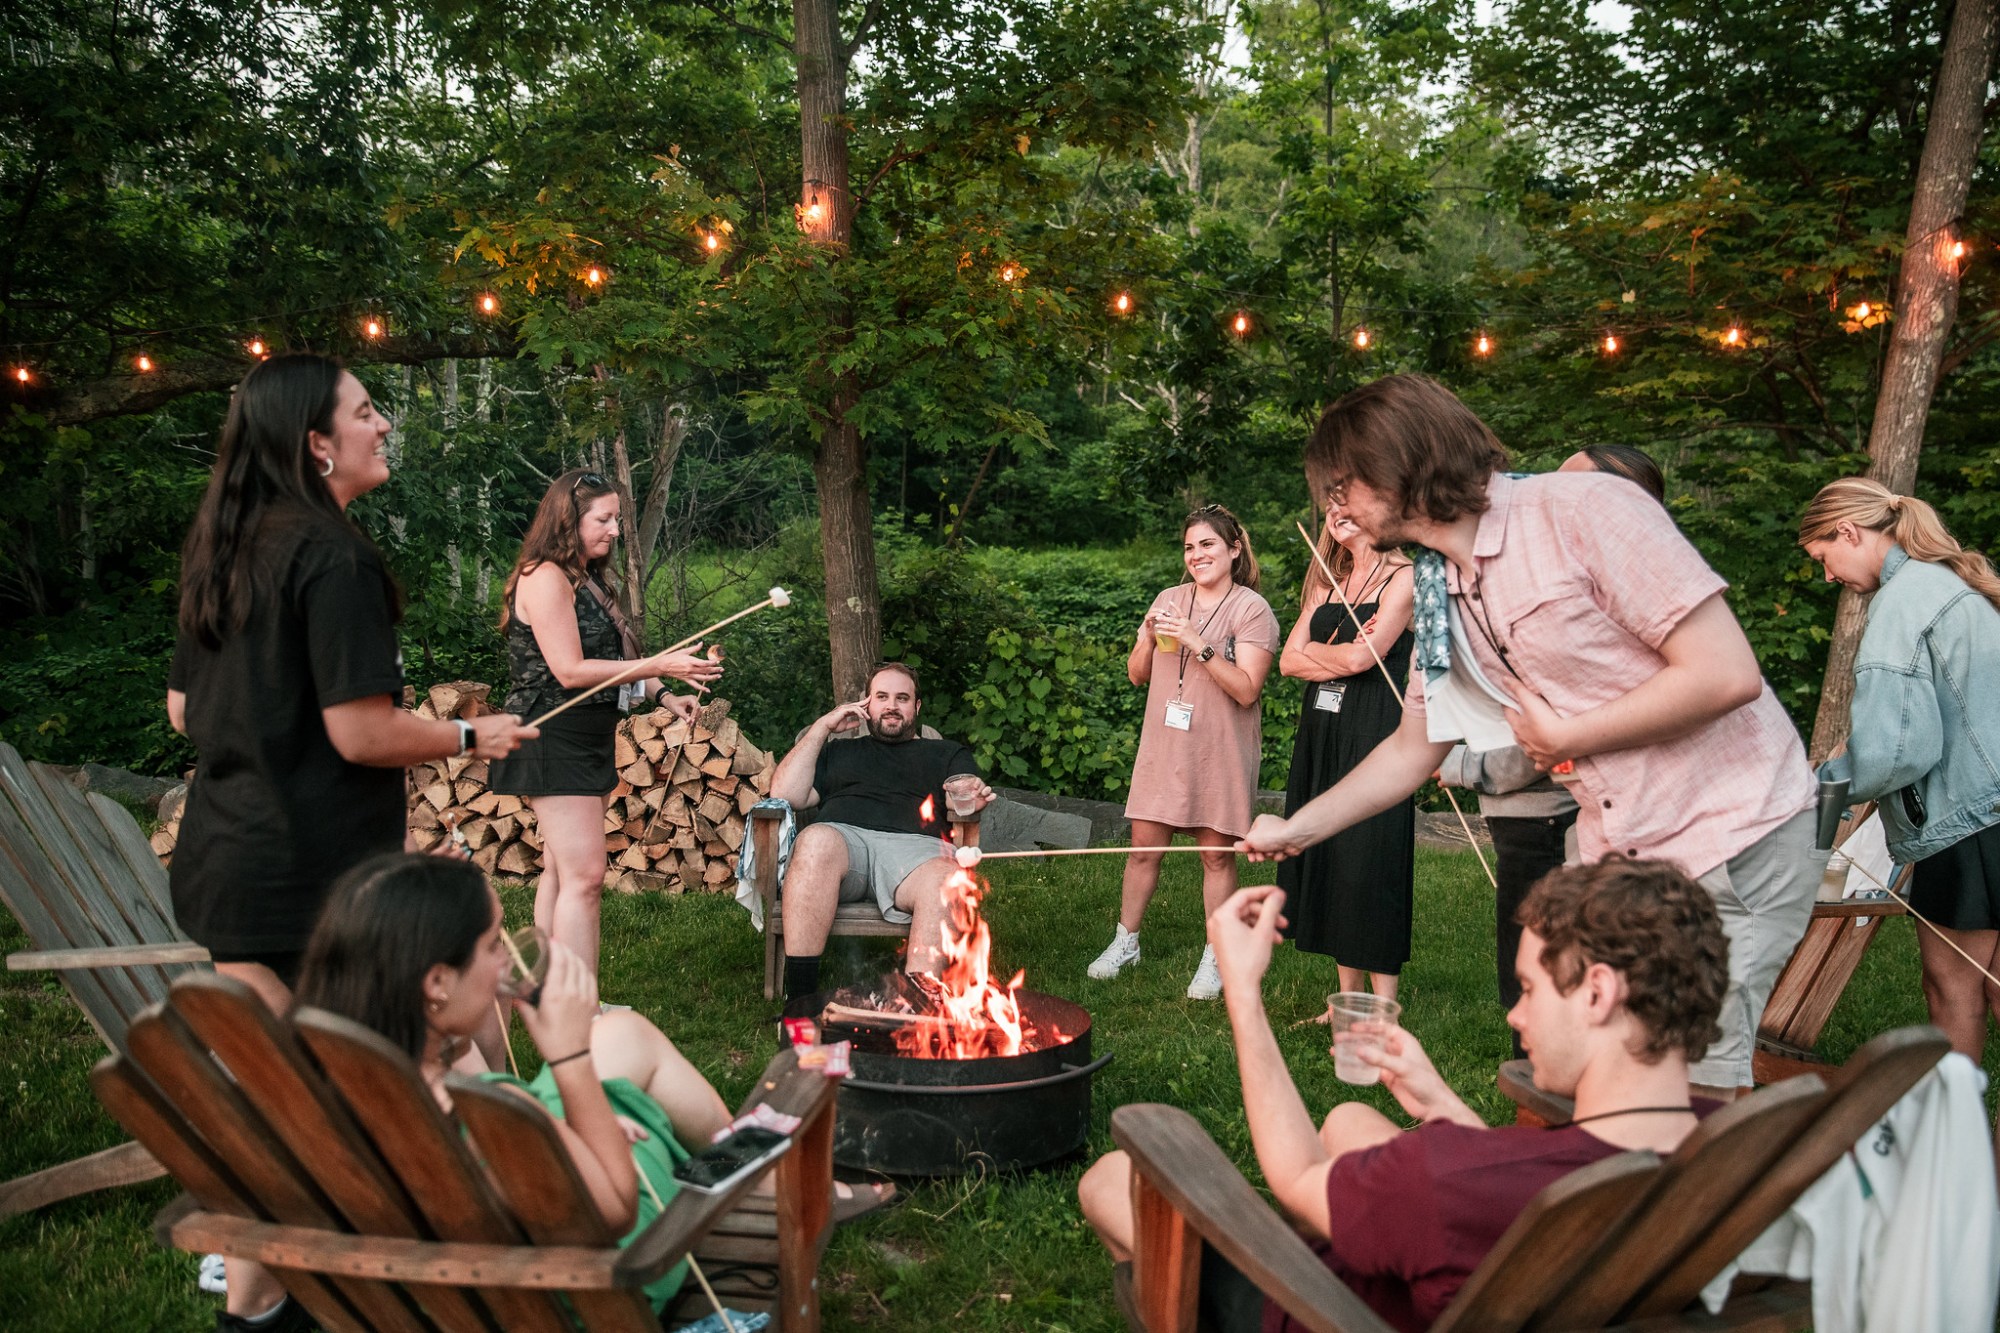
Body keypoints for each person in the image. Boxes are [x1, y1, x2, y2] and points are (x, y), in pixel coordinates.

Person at [1243, 374, 1819, 1094]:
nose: (1337, 509)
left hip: (1732, 833)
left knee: (1694, 1088)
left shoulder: (1584, 510)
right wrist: (1298, 827)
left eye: (1342, 487)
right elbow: (1413, 747)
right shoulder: (1433, 586)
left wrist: (1568, 735)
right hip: (1622, 849)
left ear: (1397, 467)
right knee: (1613, 1074)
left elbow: (1726, 673)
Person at [1078, 857, 1730, 1332]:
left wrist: (1244, 991)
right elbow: (1520, 1188)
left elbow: (1295, 1176)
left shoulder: (1446, 1179)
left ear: (1597, 992)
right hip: (1496, 1281)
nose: (1515, 1015)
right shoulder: (1719, 1151)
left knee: (1109, 1180)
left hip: (1325, 1311)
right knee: (1349, 1116)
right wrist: (1441, 1102)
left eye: (1529, 989)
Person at [166, 354, 537, 1017]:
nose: (384, 424)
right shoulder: (336, 557)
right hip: (310, 887)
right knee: (364, 1065)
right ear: (318, 444)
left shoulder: (228, 545)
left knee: (291, 1072)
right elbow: (360, 732)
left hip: (226, 868)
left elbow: (182, 708)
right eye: (365, 413)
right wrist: (468, 733)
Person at [1439, 444, 1662, 1051]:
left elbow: (1544, 741)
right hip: (1584, 820)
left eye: (1565, 489)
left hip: (1603, 823)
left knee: (1581, 975)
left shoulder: (1620, 605)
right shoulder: (1542, 589)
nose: (1542, 498)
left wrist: (1464, 765)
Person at [488, 469, 723, 976]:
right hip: (550, 732)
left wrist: (664, 694)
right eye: (604, 519)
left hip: (586, 734)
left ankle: (550, 993)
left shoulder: (586, 578)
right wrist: (662, 665)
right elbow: (570, 671)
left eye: (616, 518)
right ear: (568, 519)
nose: (615, 530)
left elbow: (614, 660)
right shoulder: (544, 576)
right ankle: (578, 1005)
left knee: (562, 871)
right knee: (586, 878)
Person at [1800, 478, 2000, 1069]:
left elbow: (1899, 749)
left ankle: (1955, 1129)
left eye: (1823, 557)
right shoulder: (1953, 584)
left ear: (1848, 532)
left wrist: (1825, 782)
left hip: (1969, 822)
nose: (1828, 576)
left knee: (1953, 989)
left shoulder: (1903, 599)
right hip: (1989, 807)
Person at [1089, 505, 1281, 1000]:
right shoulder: (1169, 599)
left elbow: (1247, 690)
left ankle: (1218, 954)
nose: (1197, 555)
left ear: (1234, 549)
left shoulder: (1252, 609)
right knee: (1142, 850)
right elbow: (1137, 675)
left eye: (1208, 544)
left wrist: (1199, 643)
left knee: (1215, 858)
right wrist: (1146, 639)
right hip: (1165, 744)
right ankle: (1126, 942)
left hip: (1219, 750)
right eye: (1190, 547)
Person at [767, 661, 996, 1001]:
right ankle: (801, 1000)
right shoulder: (838, 751)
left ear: (917, 706)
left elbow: (960, 796)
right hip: (843, 845)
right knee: (814, 840)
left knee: (947, 879)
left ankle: (916, 1007)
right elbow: (785, 794)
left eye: (902, 698)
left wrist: (970, 796)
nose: (891, 705)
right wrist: (822, 728)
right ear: (866, 704)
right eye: (882, 697)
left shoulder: (946, 753)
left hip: (916, 857)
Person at [1276, 511, 1415, 999]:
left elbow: (1360, 659)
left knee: (1369, 857)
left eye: (1347, 501)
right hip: (1323, 730)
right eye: (1330, 504)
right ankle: (1346, 1001)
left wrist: (1321, 651)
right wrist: (1344, 652)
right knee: (1332, 854)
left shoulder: (1404, 578)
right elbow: (1287, 661)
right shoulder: (1326, 581)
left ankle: (1383, 1007)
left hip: (1373, 728)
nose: (1336, 513)